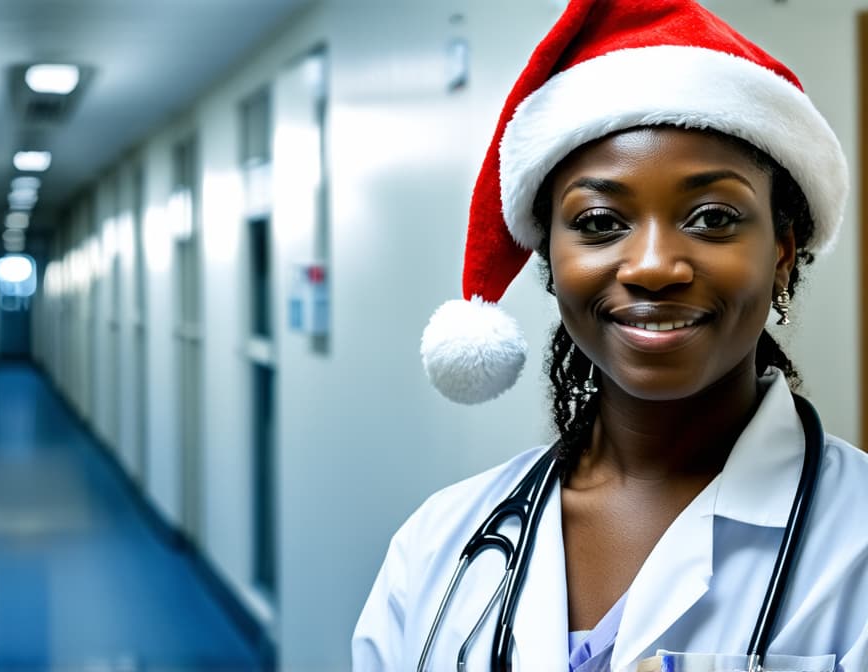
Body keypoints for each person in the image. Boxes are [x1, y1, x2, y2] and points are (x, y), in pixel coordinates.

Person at [352, 1, 868, 671]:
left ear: (781, 251)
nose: (653, 266)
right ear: (550, 259)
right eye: (599, 222)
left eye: (712, 217)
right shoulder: (437, 548)